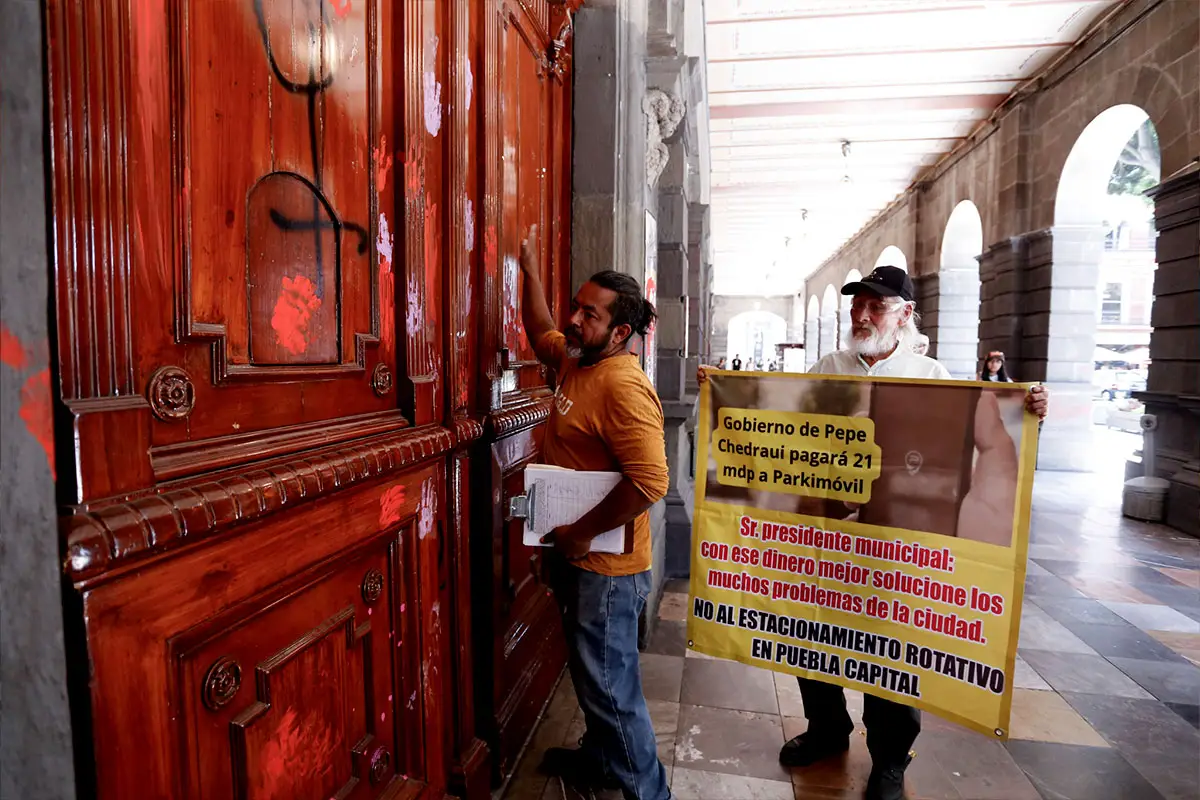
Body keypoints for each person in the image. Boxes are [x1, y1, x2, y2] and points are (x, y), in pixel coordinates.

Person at [698, 265, 1048, 800]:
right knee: (813, 636)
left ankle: (890, 758)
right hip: (826, 540)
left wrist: (1031, 410)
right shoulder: (829, 368)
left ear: (904, 315)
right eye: (857, 304)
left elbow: (990, 435)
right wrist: (722, 391)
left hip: (895, 546)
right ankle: (826, 728)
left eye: (876, 306)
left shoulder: (933, 376)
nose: (862, 315)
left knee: (890, 649)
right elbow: (781, 422)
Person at [517, 225, 672, 800]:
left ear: (621, 332)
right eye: (576, 307)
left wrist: (580, 535)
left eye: (589, 314)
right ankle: (602, 761)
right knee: (592, 678)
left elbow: (651, 481)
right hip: (575, 552)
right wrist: (528, 271)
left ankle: (650, 793)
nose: (574, 320)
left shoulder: (622, 387)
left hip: (607, 569)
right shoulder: (577, 359)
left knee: (611, 690)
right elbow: (541, 331)